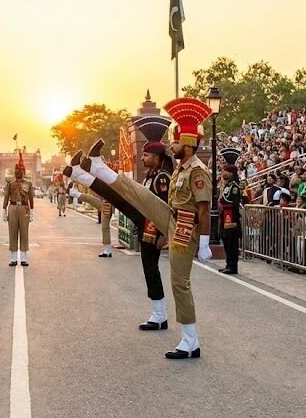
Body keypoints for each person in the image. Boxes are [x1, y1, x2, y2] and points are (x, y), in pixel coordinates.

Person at [81, 98, 214, 359]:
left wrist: (206, 243)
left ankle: (190, 341)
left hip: (186, 228)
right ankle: (100, 169)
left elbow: (204, 210)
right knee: (140, 195)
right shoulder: (180, 169)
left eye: (175, 143)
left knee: (180, 284)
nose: (171, 147)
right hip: (173, 218)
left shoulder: (198, 171)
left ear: (187, 145)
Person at [2, 152, 33, 266]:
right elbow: (6, 197)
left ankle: (24, 258)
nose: (18, 172)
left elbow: (31, 198)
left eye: (20, 170)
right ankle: (13, 258)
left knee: (24, 233)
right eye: (16, 170)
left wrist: (32, 211)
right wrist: (4, 210)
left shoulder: (28, 184)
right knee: (13, 232)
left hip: (24, 208)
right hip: (13, 207)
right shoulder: (10, 184)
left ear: (23, 172)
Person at [218, 148, 243, 275]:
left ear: (231, 173)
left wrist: (223, 205)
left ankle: (232, 266)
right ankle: (228, 264)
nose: (223, 173)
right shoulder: (227, 185)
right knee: (227, 243)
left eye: (226, 171)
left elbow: (234, 203)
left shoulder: (234, 187)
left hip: (231, 219)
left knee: (232, 244)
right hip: (225, 217)